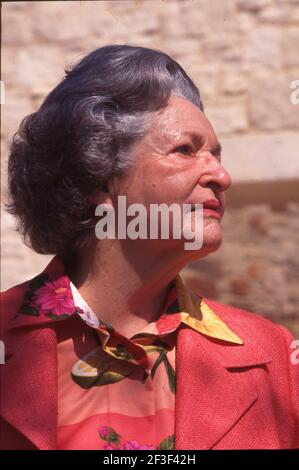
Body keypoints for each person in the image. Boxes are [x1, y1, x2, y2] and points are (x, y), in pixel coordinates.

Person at [1, 45, 298, 450]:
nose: (222, 176)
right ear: (100, 180)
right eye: (185, 150)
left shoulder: (273, 356)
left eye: (216, 155)